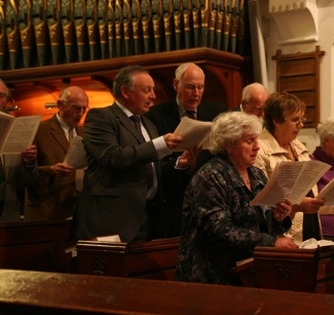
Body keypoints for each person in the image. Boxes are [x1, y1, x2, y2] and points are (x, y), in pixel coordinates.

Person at [176, 112, 297, 285]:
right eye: (249, 141)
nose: (257, 147)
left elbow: (261, 224)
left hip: (251, 270)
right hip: (212, 277)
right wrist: (271, 243)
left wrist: (278, 217)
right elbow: (218, 230)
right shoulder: (210, 176)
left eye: (256, 140)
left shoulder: (256, 174)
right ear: (228, 145)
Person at [75, 65, 183, 242]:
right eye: (146, 90)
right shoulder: (101, 117)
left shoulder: (149, 125)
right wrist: (159, 145)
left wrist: (179, 164)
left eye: (153, 90)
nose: (153, 96)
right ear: (125, 91)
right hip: (112, 219)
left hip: (149, 217)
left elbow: (150, 168)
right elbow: (113, 157)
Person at [145, 62, 227, 237]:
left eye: (200, 87)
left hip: (210, 197)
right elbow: (153, 163)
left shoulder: (217, 112)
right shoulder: (155, 116)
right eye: (190, 87)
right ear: (176, 85)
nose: (196, 94)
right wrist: (179, 163)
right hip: (173, 199)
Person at [253, 92, 325, 244]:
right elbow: (261, 199)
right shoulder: (259, 149)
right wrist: (297, 206)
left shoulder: (299, 147)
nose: (301, 125)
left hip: (309, 224)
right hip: (285, 233)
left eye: (302, 119)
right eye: (295, 120)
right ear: (276, 121)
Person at [25, 86, 89, 222]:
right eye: (76, 108)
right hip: (46, 211)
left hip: (76, 210)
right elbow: (24, 176)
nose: (81, 113)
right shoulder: (39, 130)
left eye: (85, 108)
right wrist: (51, 170)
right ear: (60, 105)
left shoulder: (84, 133)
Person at [0, 79, 38, 222]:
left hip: (7, 214)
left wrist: (28, 163)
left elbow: (26, 180)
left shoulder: (12, 127)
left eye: (1, 96)